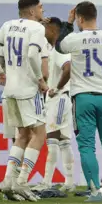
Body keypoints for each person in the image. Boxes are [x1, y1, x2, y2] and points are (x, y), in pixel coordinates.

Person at [55, 1, 102, 202]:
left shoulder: (75, 39)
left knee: (87, 146)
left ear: (79, 18)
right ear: (96, 16)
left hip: (83, 98)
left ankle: (96, 192)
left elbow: (59, 45)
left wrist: (68, 24)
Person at [0, 0, 48, 202]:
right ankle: (22, 181)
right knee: (39, 135)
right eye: (40, 8)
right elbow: (32, 55)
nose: (42, 11)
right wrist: (40, 80)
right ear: (32, 11)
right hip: (28, 90)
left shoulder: (8, 25)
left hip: (9, 90)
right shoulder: (37, 29)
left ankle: (8, 182)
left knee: (22, 135)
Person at [35, 17, 76, 193]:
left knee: (52, 139)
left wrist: (56, 88)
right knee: (63, 141)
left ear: (52, 30)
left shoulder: (59, 50)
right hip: (62, 98)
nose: (42, 31)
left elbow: (69, 68)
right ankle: (69, 181)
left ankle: (46, 181)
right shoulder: (54, 49)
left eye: (44, 27)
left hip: (59, 98)